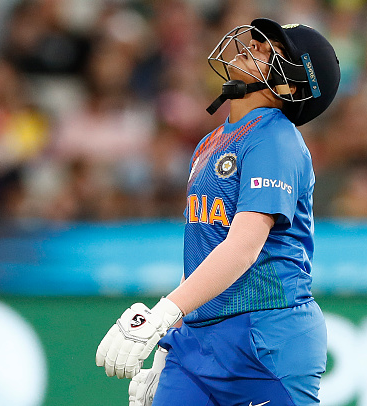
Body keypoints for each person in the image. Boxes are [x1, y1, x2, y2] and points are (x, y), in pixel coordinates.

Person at [96, 18, 340, 406]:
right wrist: (167, 343)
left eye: (271, 48)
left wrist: (160, 315)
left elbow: (243, 246)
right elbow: (205, 253)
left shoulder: (275, 138)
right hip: (196, 341)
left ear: (291, 86)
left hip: (265, 337)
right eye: (259, 38)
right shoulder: (212, 141)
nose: (254, 43)